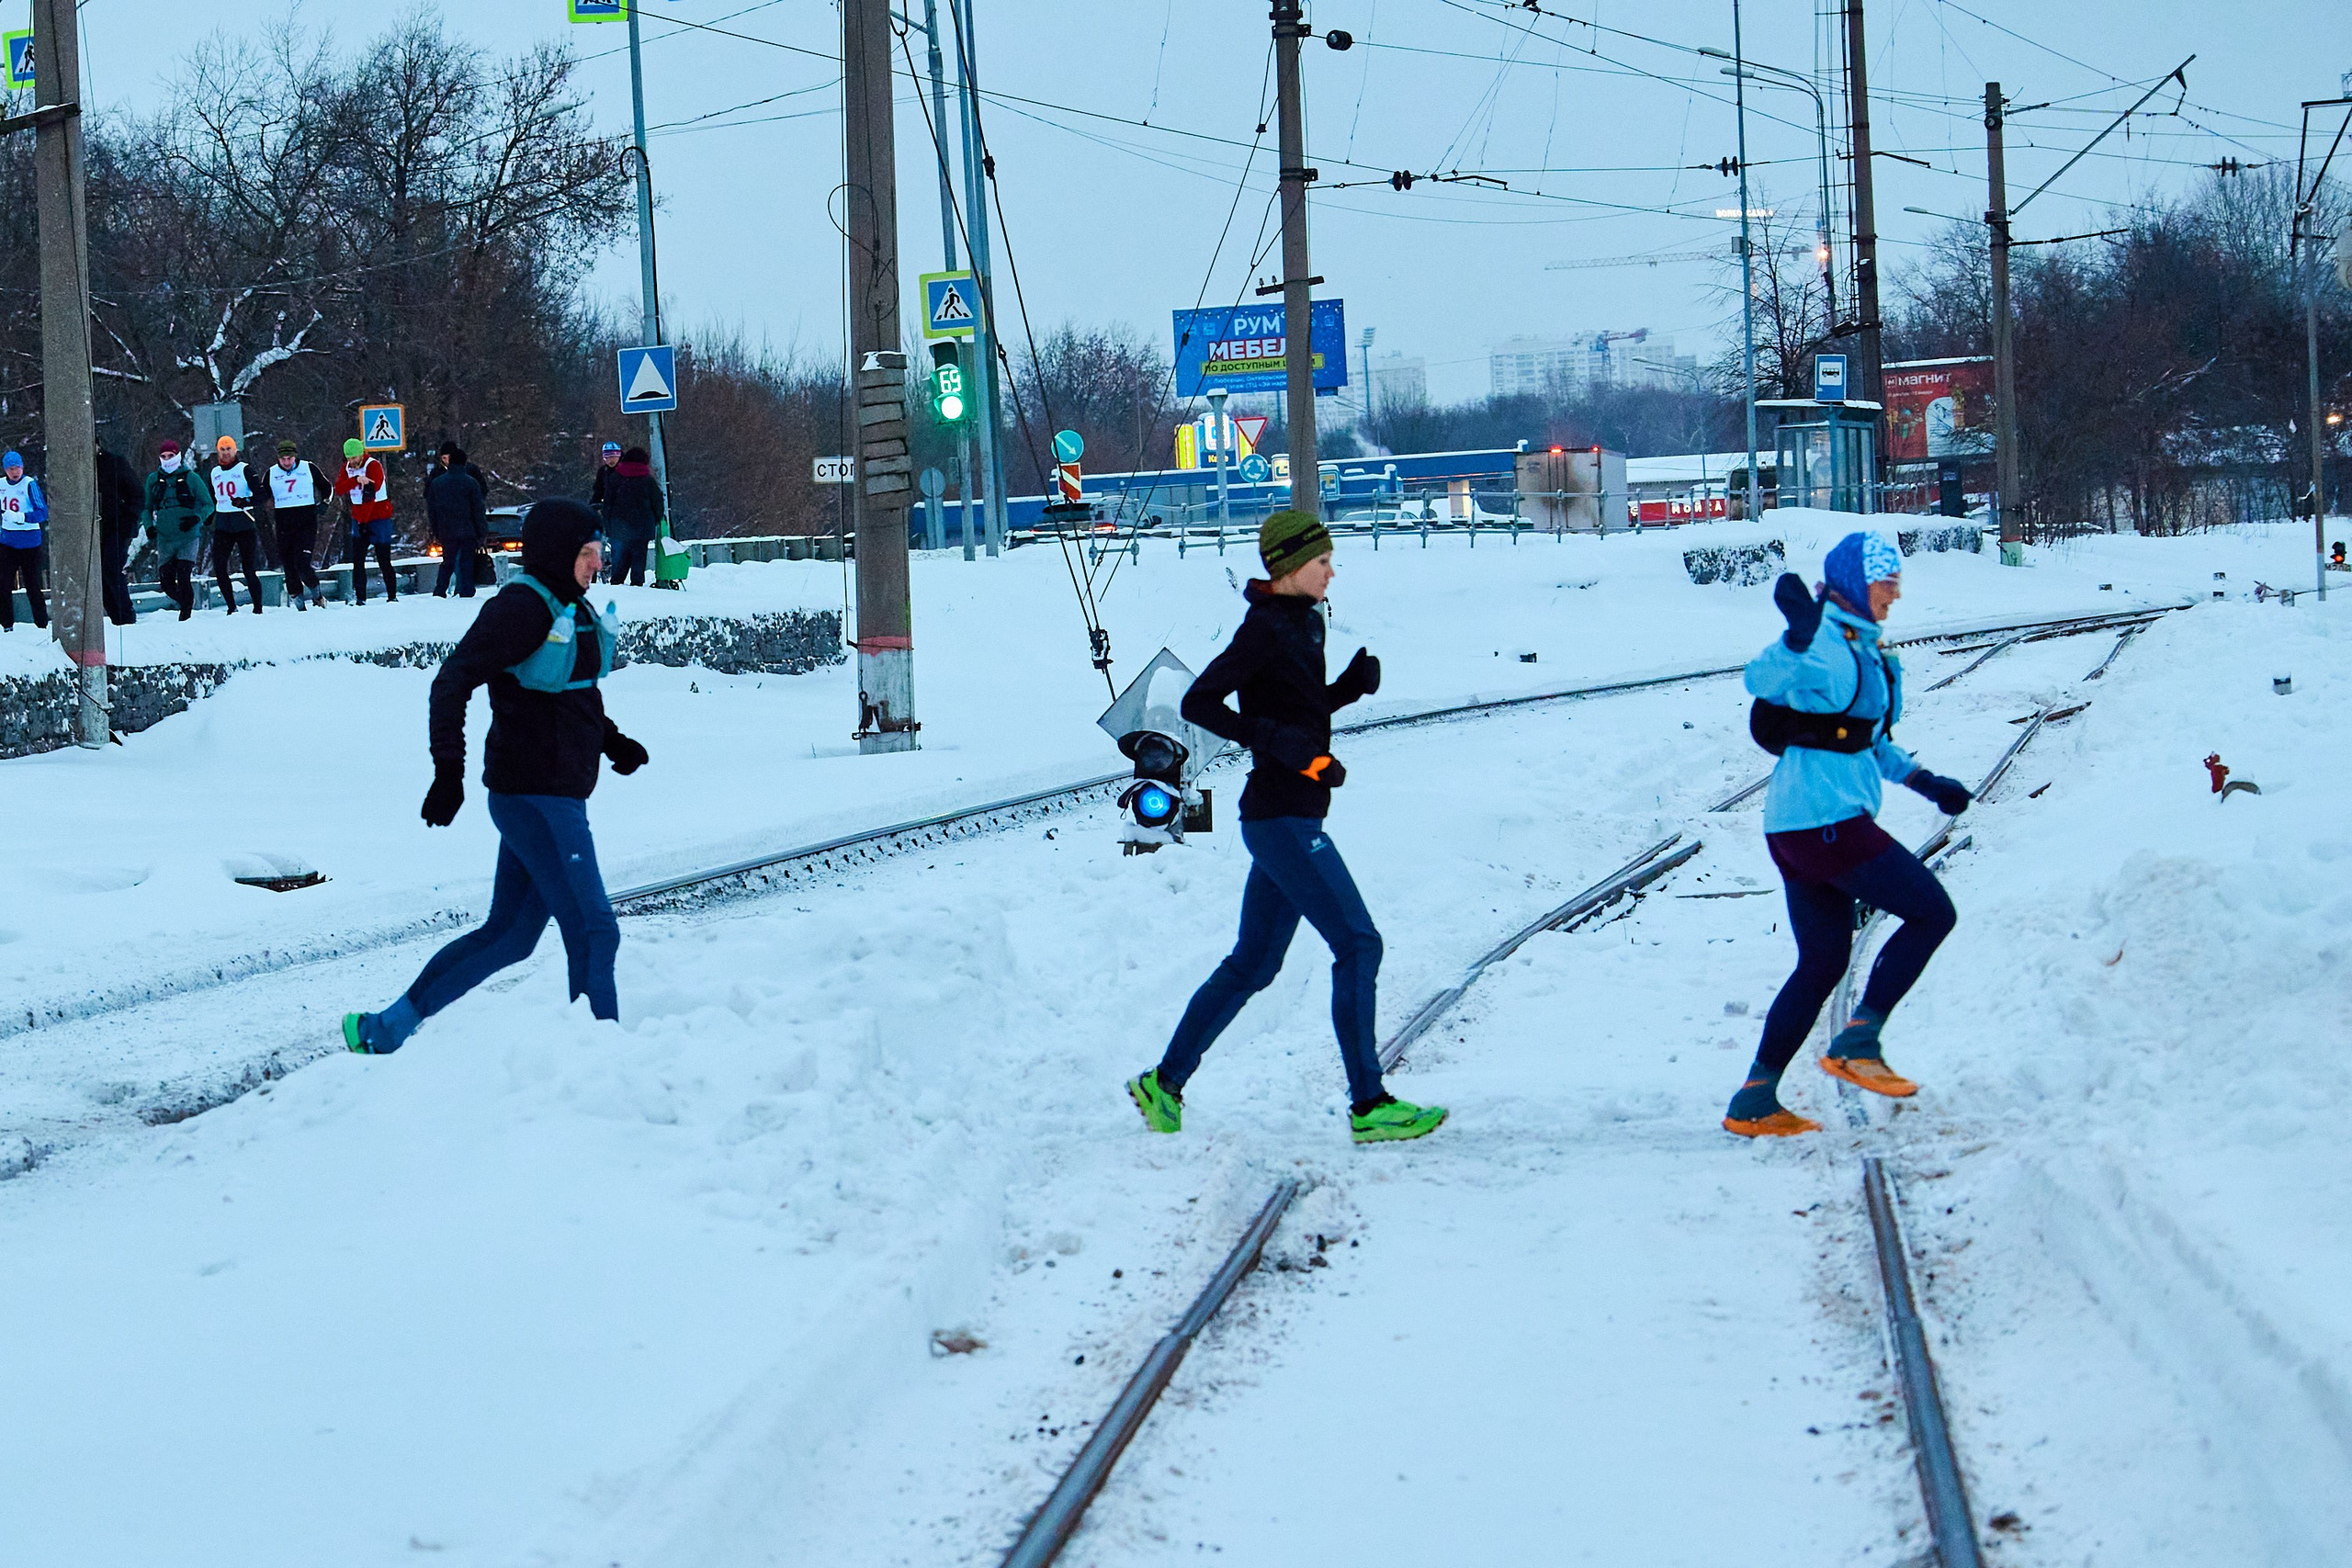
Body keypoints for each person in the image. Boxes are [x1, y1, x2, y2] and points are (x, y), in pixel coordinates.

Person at [1125, 510, 1446, 1145]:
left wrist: (1345, 690)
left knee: (1254, 964)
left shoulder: (1304, 622)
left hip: (1288, 815)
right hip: (1282, 818)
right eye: (1323, 561)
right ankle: (1369, 1104)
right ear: (1292, 565)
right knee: (1359, 943)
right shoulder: (1264, 628)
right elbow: (1199, 702)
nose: (1331, 572)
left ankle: (1163, 1082)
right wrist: (1282, 746)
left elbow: (1295, 705)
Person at [342, 499, 650, 1055]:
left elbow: (569, 697)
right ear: (559, 552)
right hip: (536, 797)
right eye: (588, 552)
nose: (598, 563)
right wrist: (448, 772)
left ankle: (385, 1027)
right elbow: (452, 681)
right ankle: (600, 1062)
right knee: (594, 928)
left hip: (553, 792)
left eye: (599, 551)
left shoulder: (573, 605)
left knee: (510, 937)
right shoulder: (519, 609)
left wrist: (613, 742)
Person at [1722, 532, 1974, 1138]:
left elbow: (1864, 740)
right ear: (1858, 584)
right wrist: (1795, 637)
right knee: (1932, 912)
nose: (1895, 594)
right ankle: (1859, 1041)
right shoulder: (1826, 640)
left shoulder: (1862, 644)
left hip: (1799, 823)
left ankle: (1754, 1097)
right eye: (1886, 583)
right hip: (1823, 820)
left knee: (1824, 960)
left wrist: (1925, 781)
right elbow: (1760, 678)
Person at [198, 434, 270, 615]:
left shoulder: (245, 469)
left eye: (228, 449)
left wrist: (245, 501)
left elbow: (262, 495)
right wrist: (208, 517)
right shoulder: (214, 472)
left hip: (244, 524)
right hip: (223, 525)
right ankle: (231, 607)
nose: (225, 453)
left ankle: (258, 608)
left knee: (248, 568)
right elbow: (212, 498)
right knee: (219, 566)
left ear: (235, 450)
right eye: (222, 450)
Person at [141, 438, 209, 619]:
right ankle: (186, 601)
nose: (167, 459)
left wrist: (196, 518)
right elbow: (146, 508)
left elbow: (208, 504)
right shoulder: (153, 480)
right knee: (167, 583)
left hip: (188, 536)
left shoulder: (192, 478)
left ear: (178, 456)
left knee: (184, 576)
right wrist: (149, 527)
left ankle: (185, 615)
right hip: (165, 537)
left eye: (170, 456)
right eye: (163, 456)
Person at [266, 439, 332, 612]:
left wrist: (324, 504)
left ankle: (317, 597)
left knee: (302, 563)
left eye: (290, 458)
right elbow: (261, 494)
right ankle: (300, 608)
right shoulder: (271, 473)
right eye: (283, 459)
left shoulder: (308, 468)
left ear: (295, 457)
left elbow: (326, 487)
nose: (286, 462)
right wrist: (245, 501)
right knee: (289, 567)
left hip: (306, 523)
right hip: (284, 524)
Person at [334, 438, 398, 604]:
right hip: (359, 517)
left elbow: (370, 494)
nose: (352, 461)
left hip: (378, 517)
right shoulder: (347, 468)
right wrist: (355, 480)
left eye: (354, 457)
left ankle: (392, 596)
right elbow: (339, 489)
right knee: (358, 560)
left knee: (383, 559)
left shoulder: (373, 466)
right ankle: (360, 597)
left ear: (361, 454)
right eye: (349, 458)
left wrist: (364, 521)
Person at [424, 444, 487, 598]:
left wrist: (436, 530)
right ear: (464, 462)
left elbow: (432, 510)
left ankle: (440, 591)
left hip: (446, 529)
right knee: (467, 562)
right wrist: (482, 532)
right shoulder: (471, 482)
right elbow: (478, 509)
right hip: (468, 529)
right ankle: (467, 591)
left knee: (447, 561)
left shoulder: (437, 483)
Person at [96, 439, 144, 625]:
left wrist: (127, 518)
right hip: (95, 529)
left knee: (111, 568)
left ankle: (125, 615)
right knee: (99, 574)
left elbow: (137, 494)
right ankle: (116, 616)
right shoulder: (79, 467)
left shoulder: (115, 463)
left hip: (117, 525)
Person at [600, 446, 663, 586]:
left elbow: (608, 503)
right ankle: (637, 584)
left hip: (619, 526)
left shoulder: (615, 478)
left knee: (620, 558)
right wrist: (656, 519)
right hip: (642, 526)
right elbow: (658, 502)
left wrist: (609, 524)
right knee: (639, 558)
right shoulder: (648, 480)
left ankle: (616, 583)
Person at [0, 449, 49, 631]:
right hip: (7, 542)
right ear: (5, 470)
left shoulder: (29, 484)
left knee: (33, 585)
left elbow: (42, 512)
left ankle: (41, 625)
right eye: (11, 469)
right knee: (3, 585)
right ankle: (6, 625)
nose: (15, 472)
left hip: (30, 543)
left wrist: (22, 517)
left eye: (18, 468)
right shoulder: (1, 485)